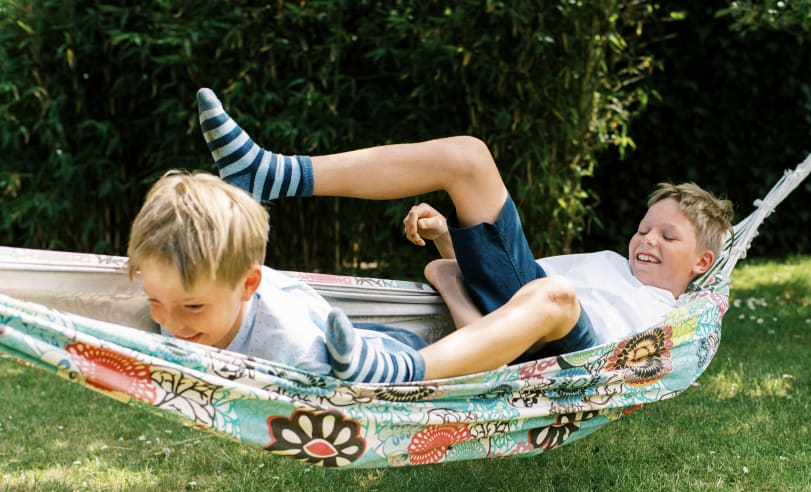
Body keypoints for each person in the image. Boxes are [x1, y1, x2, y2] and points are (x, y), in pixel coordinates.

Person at [194, 87, 734, 383]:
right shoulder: (609, 263)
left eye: (668, 237)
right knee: (469, 157)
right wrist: (452, 242)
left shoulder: (682, 313)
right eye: (644, 228)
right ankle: (270, 173)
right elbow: (517, 292)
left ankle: (405, 367)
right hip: (540, 318)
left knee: (554, 296)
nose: (647, 240)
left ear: (702, 262)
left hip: (591, 356)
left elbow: (545, 300)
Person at [126, 170, 427, 379]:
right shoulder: (182, 302)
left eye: (193, 306)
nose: (172, 322)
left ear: (247, 285)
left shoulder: (293, 350)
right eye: (155, 301)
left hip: (382, 355)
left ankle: (449, 282)